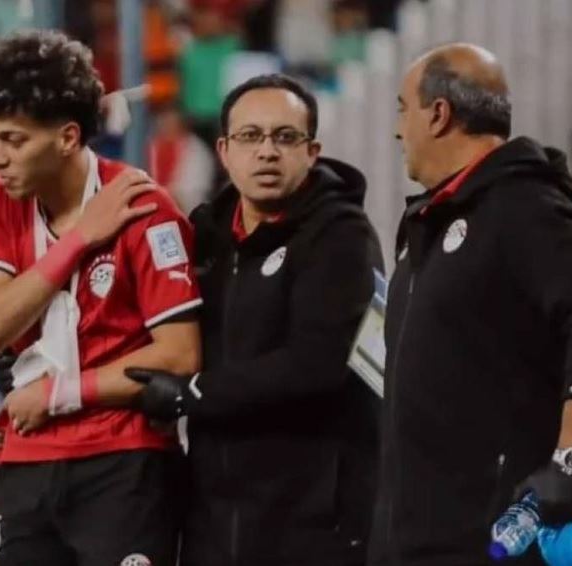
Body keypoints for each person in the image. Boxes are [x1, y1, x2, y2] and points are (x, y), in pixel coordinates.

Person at [367, 43, 572, 565]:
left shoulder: (524, 203)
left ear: (438, 114)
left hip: (487, 539)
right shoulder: (427, 222)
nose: (398, 130)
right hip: (412, 537)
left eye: (402, 109)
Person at [0, 30, 202, 566]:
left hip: (125, 462)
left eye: (15, 141)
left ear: (68, 137)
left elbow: (180, 354)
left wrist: (58, 394)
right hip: (27, 457)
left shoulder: (145, 208)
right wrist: (78, 240)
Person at [129, 74, 384, 566]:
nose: (267, 151)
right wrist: (47, 361)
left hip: (314, 527)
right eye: (250, 136)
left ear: (312, 152)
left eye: (285, 137)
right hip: (212, 524)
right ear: (224, 151)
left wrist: (194, 392)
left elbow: (319, 364)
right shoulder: (205, 235)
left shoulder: (343, 236)